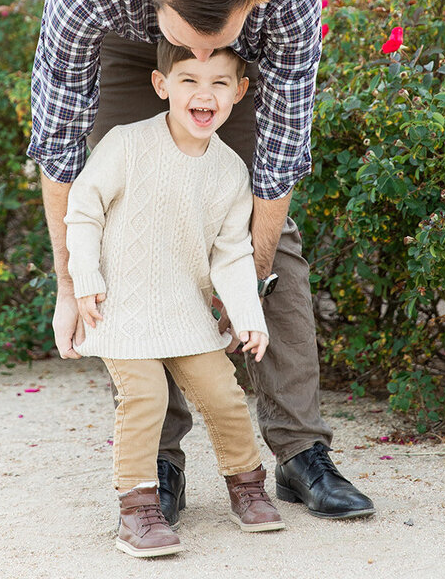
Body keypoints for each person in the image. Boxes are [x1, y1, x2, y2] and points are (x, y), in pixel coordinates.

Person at [29, 0, 374, 526]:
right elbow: (59, 145)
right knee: (136, 218)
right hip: (127, 44)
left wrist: (241, 280)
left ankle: (302, 454)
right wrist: (70, 281)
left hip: (230, 11)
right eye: (192, 44)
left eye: (223, 43)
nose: (205, 62)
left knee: (260, 235)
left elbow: (277, 162)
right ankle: (160, 457)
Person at [65, 41, 285, 556]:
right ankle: (139, 510)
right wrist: (84, 276)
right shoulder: (126, 144)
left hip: (185, 310)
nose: (203, 94)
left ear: (239, 92)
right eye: (188, 80)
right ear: (162, 87)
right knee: (144, 398)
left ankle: (247, 488)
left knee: (224, 395)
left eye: (218, 83)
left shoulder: (231, 171)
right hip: (120, 307)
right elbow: (84, 208)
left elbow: (230, 254)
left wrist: (247, 312)